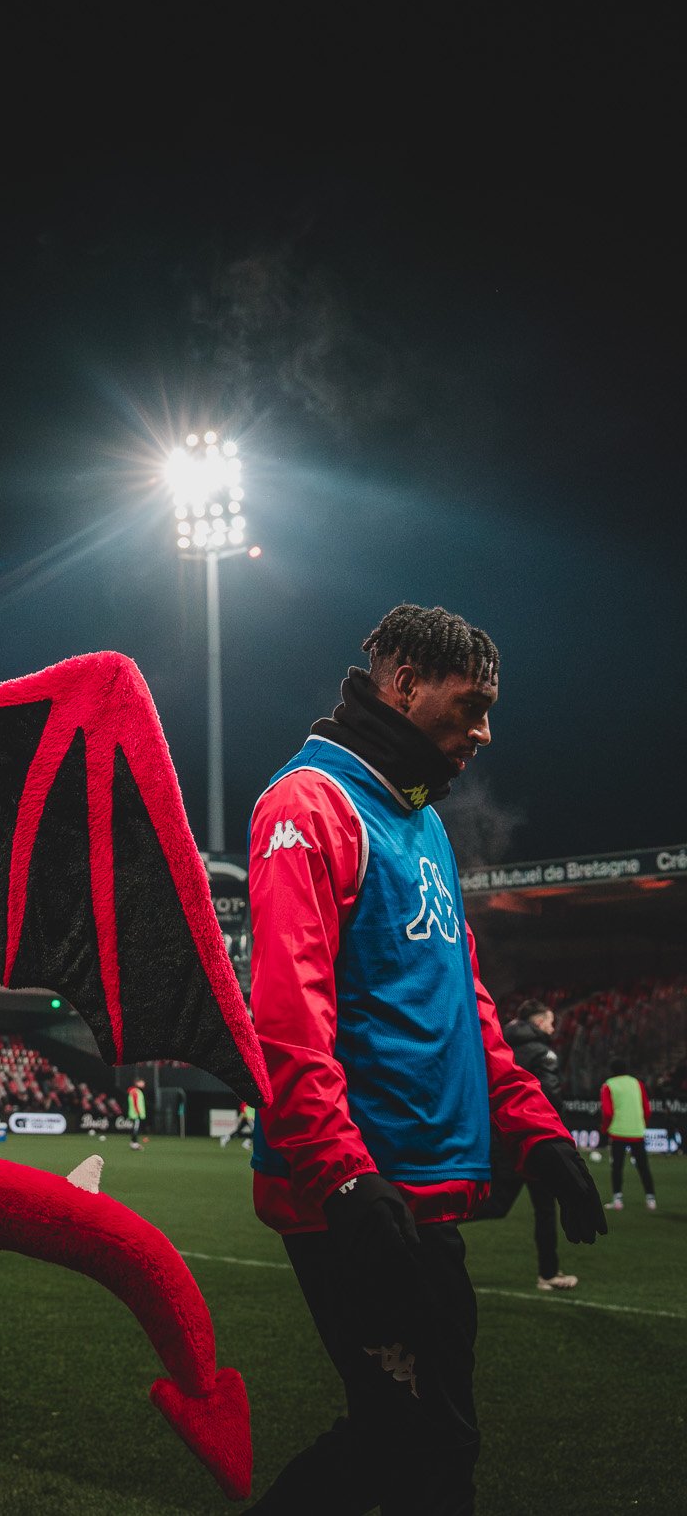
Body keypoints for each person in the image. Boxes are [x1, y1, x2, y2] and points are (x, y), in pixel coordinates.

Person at [245, 605, 605, 1513]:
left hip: (415, 1194)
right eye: (470, 705)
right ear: (404, 684)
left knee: (411, 1439)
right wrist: (343, 1177)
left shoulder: (419, 821)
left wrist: (534, 1130)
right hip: (356, 1196)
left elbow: (464, 1005)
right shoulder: (308, 805)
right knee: (424, 1445)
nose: (484, 731)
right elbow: (288, 1021)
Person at [487, 1000, 579, 1289]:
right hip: (536, 1140)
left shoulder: (502, 1048)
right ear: (539, 1023)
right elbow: (550, 1098)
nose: (553, 1028)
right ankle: (547, 1274)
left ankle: (549, 1273)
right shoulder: (543, 1053)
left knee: (503, 1203)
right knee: (541, 1208)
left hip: (507, 1138)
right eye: (550, 1022)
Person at [601, 1060, 657, 1211]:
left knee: (617, 1167)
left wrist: (605, 1129)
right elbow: (647, 1109)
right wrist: (642, 1124)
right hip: (637, 1131)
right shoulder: (637, 1084)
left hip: (618, 1131)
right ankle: (651, 1199)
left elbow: (607, 1112)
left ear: (611, 1070)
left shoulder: (608, 1085)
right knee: (643, 1166)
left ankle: (617, 1200)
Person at [127, 1078, 148, 1149]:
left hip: (136, 1113)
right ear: (137, 1083)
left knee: (135, 1128)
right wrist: (138, 1112)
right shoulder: (135, 1091)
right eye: (142, 1082)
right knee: (135, 1129)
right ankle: (134, 1143)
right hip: (135, 1114)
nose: (143, 1084)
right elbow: (135, 1102)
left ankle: (134, 1143)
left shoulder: (136, 1091)